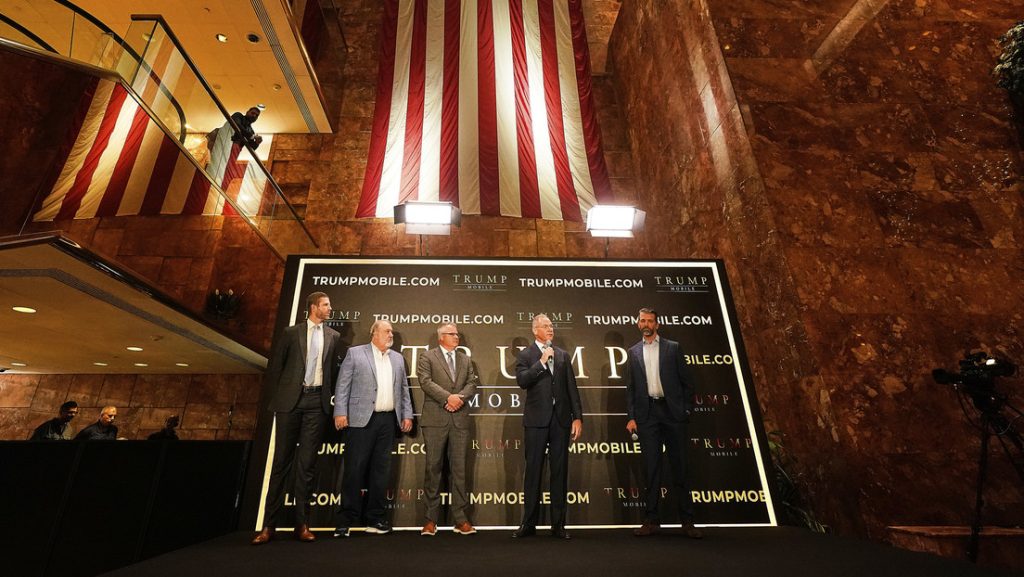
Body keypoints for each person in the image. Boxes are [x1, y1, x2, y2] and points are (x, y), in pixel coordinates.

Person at [252, 292, 340, 545]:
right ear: (313, 307)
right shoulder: (291, 333)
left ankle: (302, 525)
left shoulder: (333, 336)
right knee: (281, 462)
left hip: (317, 403)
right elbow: (276, 367)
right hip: (290, 402)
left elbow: (333, 372)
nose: (330, 308)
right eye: (326, 305)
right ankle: (268, 526)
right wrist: (278, 399)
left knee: (307, 465)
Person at [625, 308, 703, 539]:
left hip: (673, 414)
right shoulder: (633, 352)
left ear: (657, 325)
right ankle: (651, 520)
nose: (646, 324)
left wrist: (686, 410)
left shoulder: (673, 348)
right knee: (651, 470)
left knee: (680, 468)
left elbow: (688, 383)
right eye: (643, 320)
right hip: (647, 415)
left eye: (650, 321)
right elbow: (631, 388)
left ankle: (687, 521)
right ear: (638, 324)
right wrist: (632, 417)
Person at [332, 320, 414, 537]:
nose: (390, 334)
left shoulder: (397, 358)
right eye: (386, 331)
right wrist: (340, 412)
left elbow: (403, 389)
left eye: (392, 331)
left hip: (387, 422)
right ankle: (346, 520)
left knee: (381, 472)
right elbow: (342, 385)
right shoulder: (355, 353)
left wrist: (407, 414)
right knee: (354, 470)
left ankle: (376, 518)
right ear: (374, 333)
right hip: (360, 420)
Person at [513, 314, 583, 539]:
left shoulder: (562, 355)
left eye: (551, 326)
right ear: (535, 330)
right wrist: (542, 362)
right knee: (533, 472)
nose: (550, 329)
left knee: (559, 472)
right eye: (545, 326)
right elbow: (523, 381)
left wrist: (577, 417)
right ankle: (528, 524)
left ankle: (558, 525)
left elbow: (571, 387)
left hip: (560, 420)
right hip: (536, 421)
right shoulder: (526, 355)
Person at [417, 323, 479, 536]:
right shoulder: (427, 357)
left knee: (459, 470)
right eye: (452, 334)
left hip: (459, 420)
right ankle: (430, 520)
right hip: (435, 420)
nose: (456, 337)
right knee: (433, 469)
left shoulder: (465, 360)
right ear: (441, 337)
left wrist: (458, 398)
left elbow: (472, 383)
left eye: (457, 334)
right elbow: (425, 382)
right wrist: (448, 398)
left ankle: (460, 519)